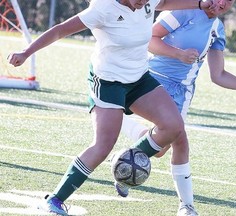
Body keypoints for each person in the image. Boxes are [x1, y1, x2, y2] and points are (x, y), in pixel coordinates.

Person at [7, 0, 220, 215]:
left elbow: (165, 2)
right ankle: (54, 200)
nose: (144, 3)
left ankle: (127, 161)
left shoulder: (146, 1)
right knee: (103, 145)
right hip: (108, 82)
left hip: (139, 78)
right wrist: (26, 52)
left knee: (174, 127)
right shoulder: (103, 8)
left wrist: (201, 3)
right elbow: (60, 31)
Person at [118, 0, 236, 215]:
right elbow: (149, 38)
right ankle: (187, 207)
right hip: (152, 80)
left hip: (183, 91)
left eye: (230, 0)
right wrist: (177, 53)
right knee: (181, 140)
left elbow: (218, 75)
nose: (223, 3)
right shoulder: (184, 10)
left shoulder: (218, 29)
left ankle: (125, 162)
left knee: (160, 150)